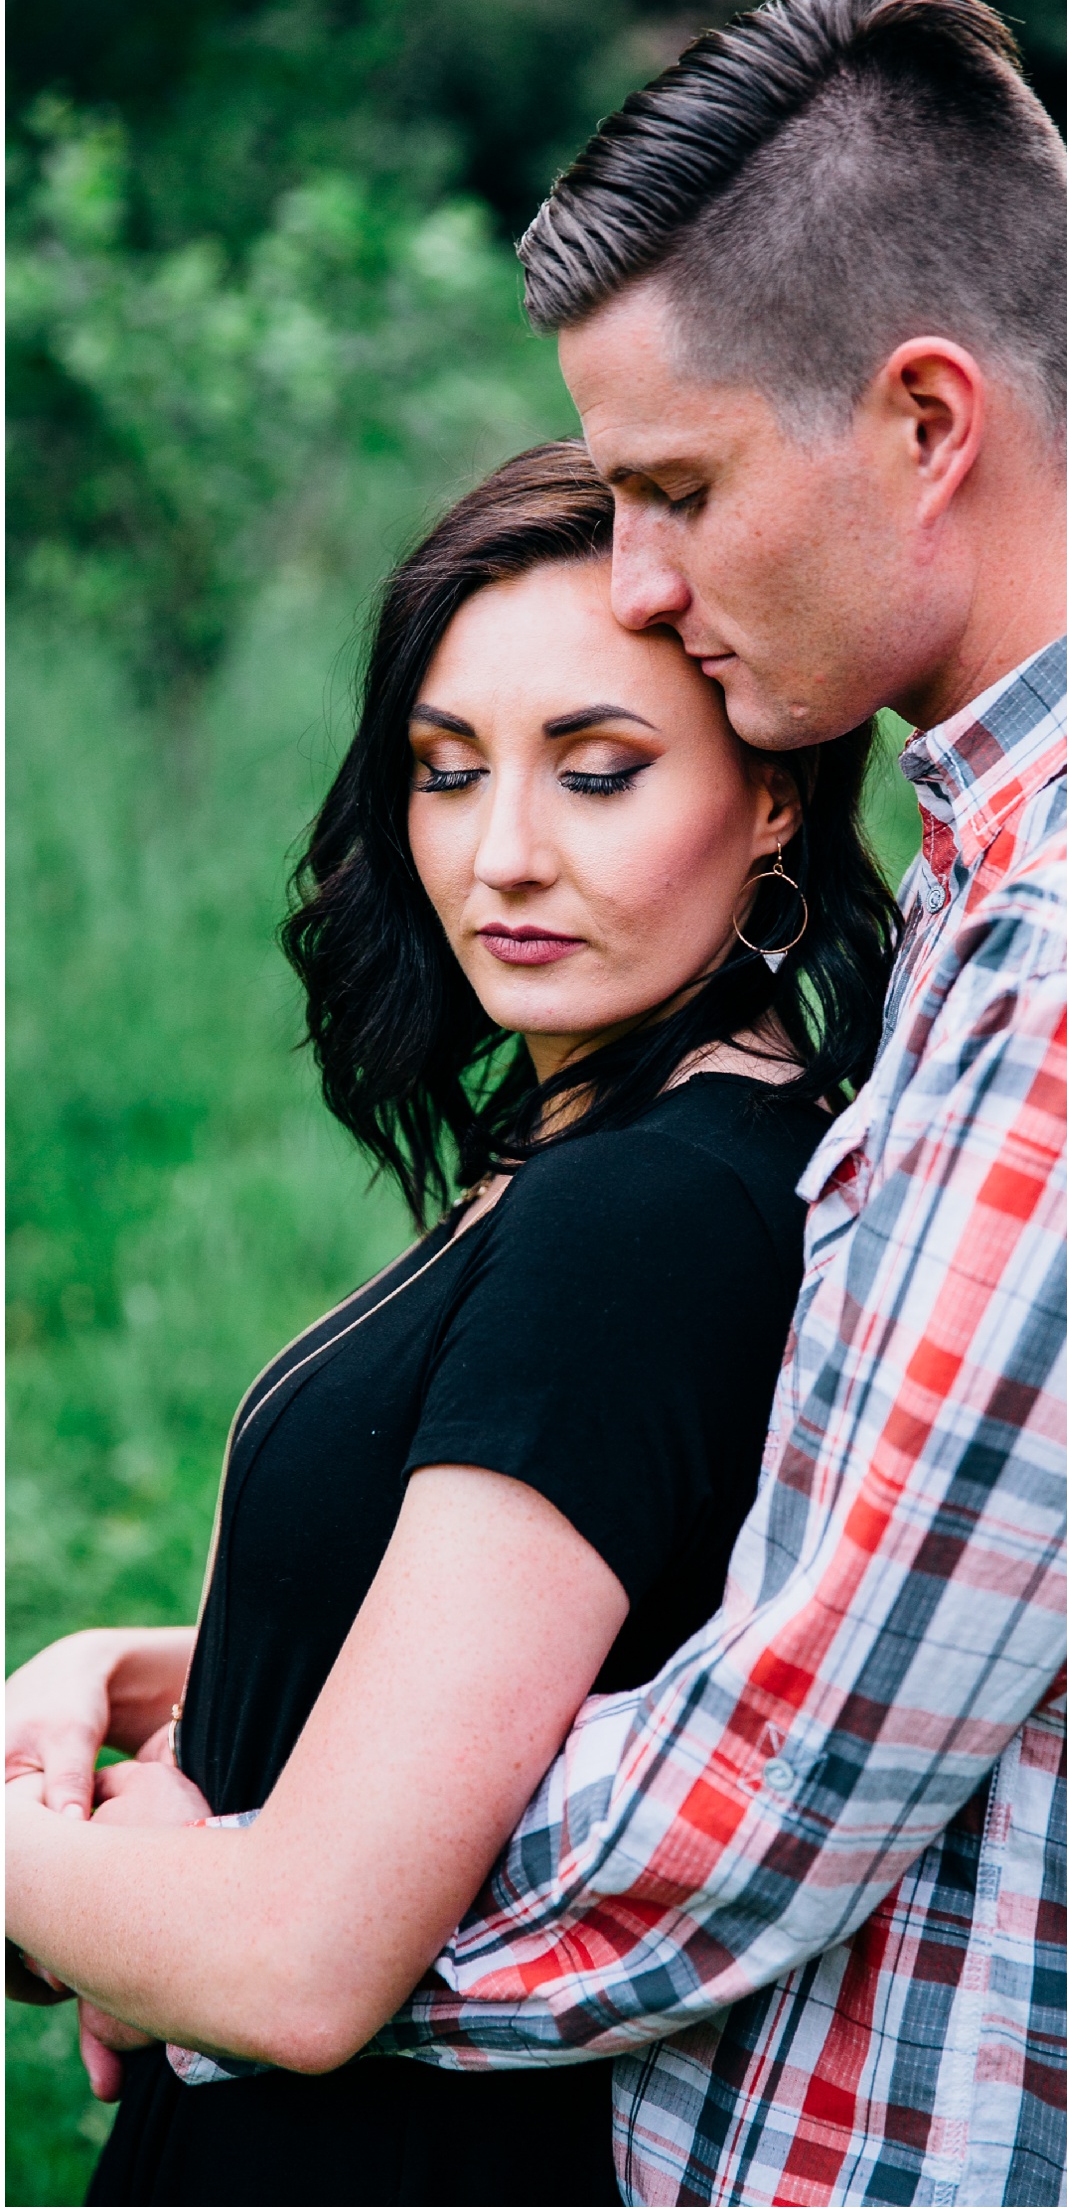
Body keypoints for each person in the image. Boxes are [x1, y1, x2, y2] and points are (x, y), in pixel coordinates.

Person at [9, 0, 1067, 2207]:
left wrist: (210, 1908)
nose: (637, 577)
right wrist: (235, 1694)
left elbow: (761, 1793)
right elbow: (850, 1589)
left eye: (678, 486)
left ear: (923, 422)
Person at [4, 438, 899, 2206]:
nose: (500, 855)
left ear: (777, 794)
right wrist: (132, 1693)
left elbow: (298, 1963)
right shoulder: (660, 1147)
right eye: (444, 769)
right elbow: (562, 1661)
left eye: (599, 770)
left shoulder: (640, 1223)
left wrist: (59, 1876)